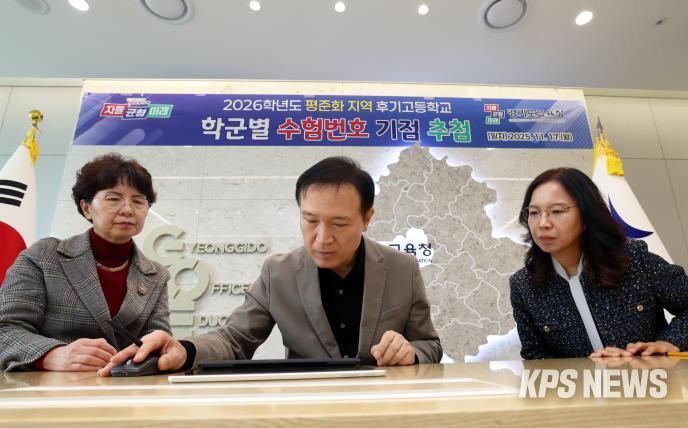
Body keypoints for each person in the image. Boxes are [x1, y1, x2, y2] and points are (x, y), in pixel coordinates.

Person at [100, 156, 441, 375]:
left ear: (367, 218)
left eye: (339, 223)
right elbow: (234, 339)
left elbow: (430, 345)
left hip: (384, 406)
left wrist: (410, 352)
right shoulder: (278, 273)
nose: (322, 238)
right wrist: (185, 350)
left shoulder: (402, 269)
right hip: (305, 409)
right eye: (310, 220)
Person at [0, 153, 170, 371]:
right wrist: (51, 355)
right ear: (87, 208)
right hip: (50, 387)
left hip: (124, 388)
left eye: (138, 201)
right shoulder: (44, 257)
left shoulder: (156, 275)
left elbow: (157, 341)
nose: (128, 209)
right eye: (113, 199)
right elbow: (5, 329)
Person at [510, 167, 688, 360]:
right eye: (534, 212)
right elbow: (535, 354)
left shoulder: (633, 258)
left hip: (651, 377)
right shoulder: (523, 285)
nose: (542, 223)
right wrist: (585, 370)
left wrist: (669, 342)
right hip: (580, 381)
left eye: (557, 211)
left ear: (587, 216)